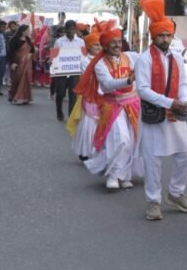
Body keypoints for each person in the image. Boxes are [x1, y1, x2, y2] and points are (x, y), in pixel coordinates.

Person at [135, 0, 187, 221]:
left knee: (186, 155)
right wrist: (170, 103)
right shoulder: (144, 60)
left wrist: (183, 102)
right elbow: (142, 90)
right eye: (161, 35)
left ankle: (176, 193)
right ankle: (153, 201)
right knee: (153, 160)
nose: (165, 39)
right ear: (153, 36)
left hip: (175, 115)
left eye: (168, 35)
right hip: (155, 115)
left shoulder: (177, 58)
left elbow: (181, 85)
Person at [76, 19, 141, 189]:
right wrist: (128, 80)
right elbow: (108, 84)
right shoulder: (100, 64)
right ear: (105, 45)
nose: (117, 45)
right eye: (113, 43)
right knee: (121, 140)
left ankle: (125, 174)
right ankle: (112, 175)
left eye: (119, 42)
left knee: (134, 141)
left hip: (133, 104)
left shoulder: (131, 57)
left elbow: (147, 63)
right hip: (113, 105)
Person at [67, 28, 102, 160]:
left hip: (103, 95)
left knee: (101, 124)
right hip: (90, 95)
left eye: (100, 44)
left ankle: (98, 150)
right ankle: (86, 151)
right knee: (89, 124)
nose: (99, 47)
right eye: (96, 45)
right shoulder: (84, 61)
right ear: (89, 47)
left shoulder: (104, 59)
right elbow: (90, 76)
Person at [52, 19, 87, 121]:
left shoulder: (81, 42)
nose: (71, 31)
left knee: (73, 94)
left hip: (74, 72)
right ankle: (59, 111)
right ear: (65, 29)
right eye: (69, 29)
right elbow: (54, 56)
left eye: (73, 29)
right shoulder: (59, 41)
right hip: (61, 73)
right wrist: (54, 68)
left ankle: (71, 115)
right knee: (61, 93)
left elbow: (83, 56)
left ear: (75, 30)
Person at [7, 24, 35, 104]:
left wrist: (30, 54)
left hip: (27, 63)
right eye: (28, 30)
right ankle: (14, 96)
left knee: (26, 80)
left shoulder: (28, 39)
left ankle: (25, 98)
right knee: (17, 80)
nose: (29, 32)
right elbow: (10, 52)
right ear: (23, 31)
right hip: (17, 62)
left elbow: (32, 50)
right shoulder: (14, 40)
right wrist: (12, 63)